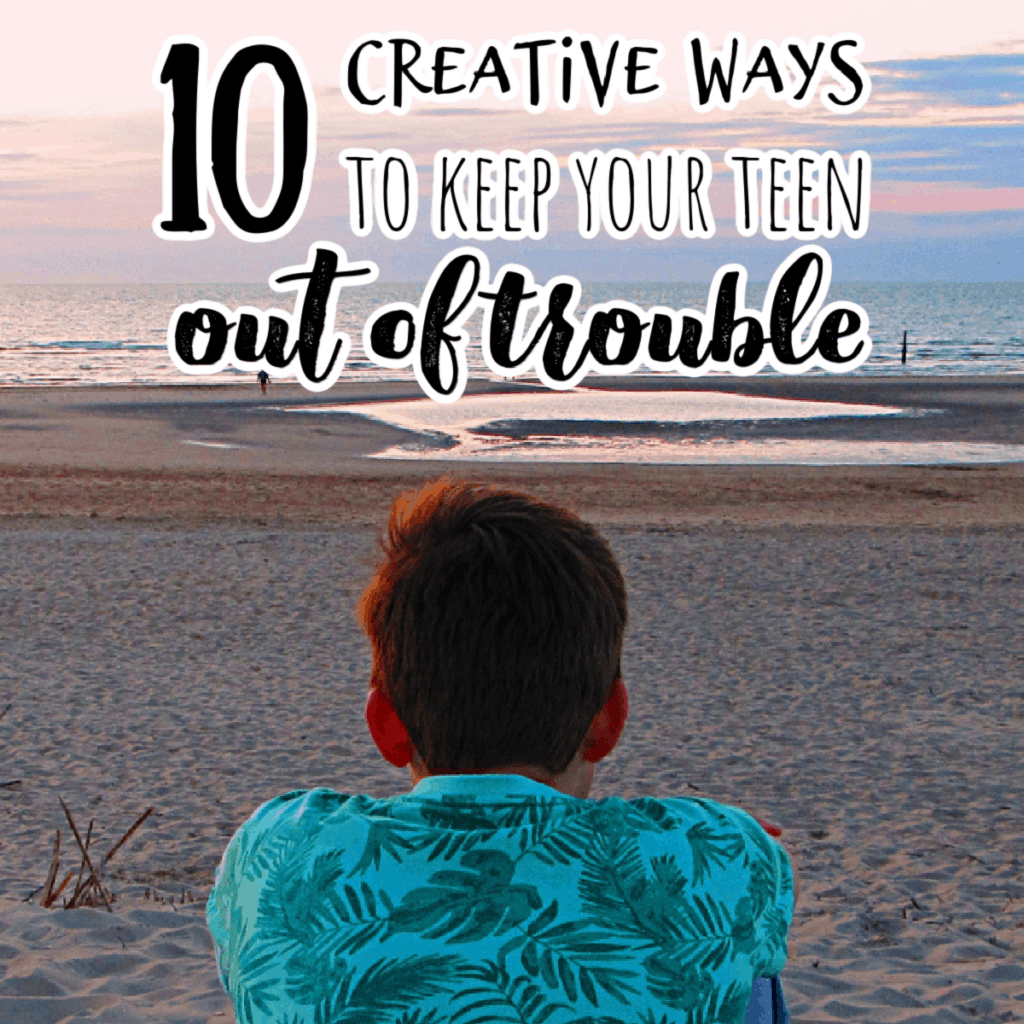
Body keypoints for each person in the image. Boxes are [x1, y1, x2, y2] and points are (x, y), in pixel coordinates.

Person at [207, 479, 798, 1024]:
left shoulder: (275, 846)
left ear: (386, 725)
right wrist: (734, 840)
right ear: (610, 721)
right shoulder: (727, 850)